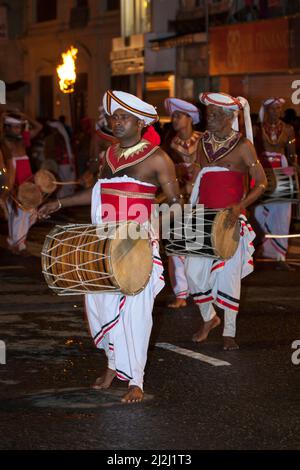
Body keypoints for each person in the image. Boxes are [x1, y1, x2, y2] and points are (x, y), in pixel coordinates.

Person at [38, 90, 182, 403]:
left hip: (136, 244)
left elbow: (175, 203)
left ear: (141, 122)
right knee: (100, 307)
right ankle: (113, 364)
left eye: (123, 117)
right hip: (104, 242)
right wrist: (59, 202)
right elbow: (96, 192)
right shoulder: (109, 156)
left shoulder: (158, 158)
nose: (116, 122)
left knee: (135, 313)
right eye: (114, 117)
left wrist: (145, 223)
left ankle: (136, 380)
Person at [185, 92, 267, 350]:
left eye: (217, 114)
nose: (210, 118)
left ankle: (229, 332)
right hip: (201, 216)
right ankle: (209, 318)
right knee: (192, 272)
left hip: (230, 219)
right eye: (209, 113)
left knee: (229, 276)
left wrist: (240, 206)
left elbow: (262, 182)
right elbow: (198, 173)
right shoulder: (202, 143)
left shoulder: (243, 146)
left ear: (232, 117)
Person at [163, 98, 202, 308]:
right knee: (177, 245)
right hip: (177, 200)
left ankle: (202, 291)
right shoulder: (168, 143)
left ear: (190, 118)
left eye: (178, 116)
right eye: (174, 116)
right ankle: (181, 294)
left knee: (201, 246)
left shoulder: (204, 140)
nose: (174, 120)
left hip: (202, 198)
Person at [253, 98, 297, 269]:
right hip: (262, 172)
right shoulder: (257, 129)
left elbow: (292, 155)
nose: (275, 112)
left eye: (278, 108)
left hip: (283, 172)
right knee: (258, 213)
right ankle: (256, 252)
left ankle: (280, 257)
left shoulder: (288, 129)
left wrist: (295, 171)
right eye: (272, 109)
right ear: (266, 110)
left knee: (282, 215)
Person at [3, 111, 41, 255]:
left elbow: (39, 127)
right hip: (14, 174)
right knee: (17, 211)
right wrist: (10, 184)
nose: (18, 130)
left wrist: (26, 117)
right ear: (7, 128)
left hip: (27, 175)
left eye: (20, 127)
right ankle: (17, 244)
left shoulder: (22, 139)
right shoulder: (4, 141)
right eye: (15, 127)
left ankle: (16, 241)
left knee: (31, 210)